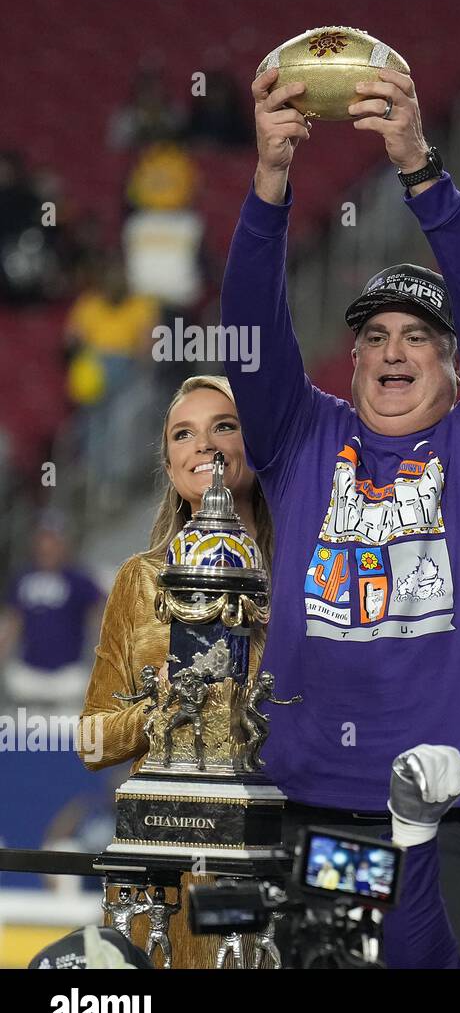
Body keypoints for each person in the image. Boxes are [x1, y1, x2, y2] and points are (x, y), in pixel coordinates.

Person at [221, 66, 460, 968]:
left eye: (417, 338)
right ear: (353, 358)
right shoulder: (303, 437)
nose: (392, 351)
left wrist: (418, 169)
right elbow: (249, 326)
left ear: (453, 368)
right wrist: (270, 182)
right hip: (326, 811)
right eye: (373, 336)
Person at [77, 374, 273, 969]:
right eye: (183, 434)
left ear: (255, 442)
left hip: (264, 860)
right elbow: (91, 740)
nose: (203, 445)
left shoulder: (310, 572)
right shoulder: (138, 581)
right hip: (157, 873)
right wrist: (159, 707)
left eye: (224, 426)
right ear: (168, 464)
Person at [1, 515, 103, 711]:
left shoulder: (79, 580)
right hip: (27, 676)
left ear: (64, 545)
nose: (47, 547)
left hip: (68, 678)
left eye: (53, 542)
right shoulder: (22, 578)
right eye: (43, 541)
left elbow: (99, 622)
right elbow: (11, 624)